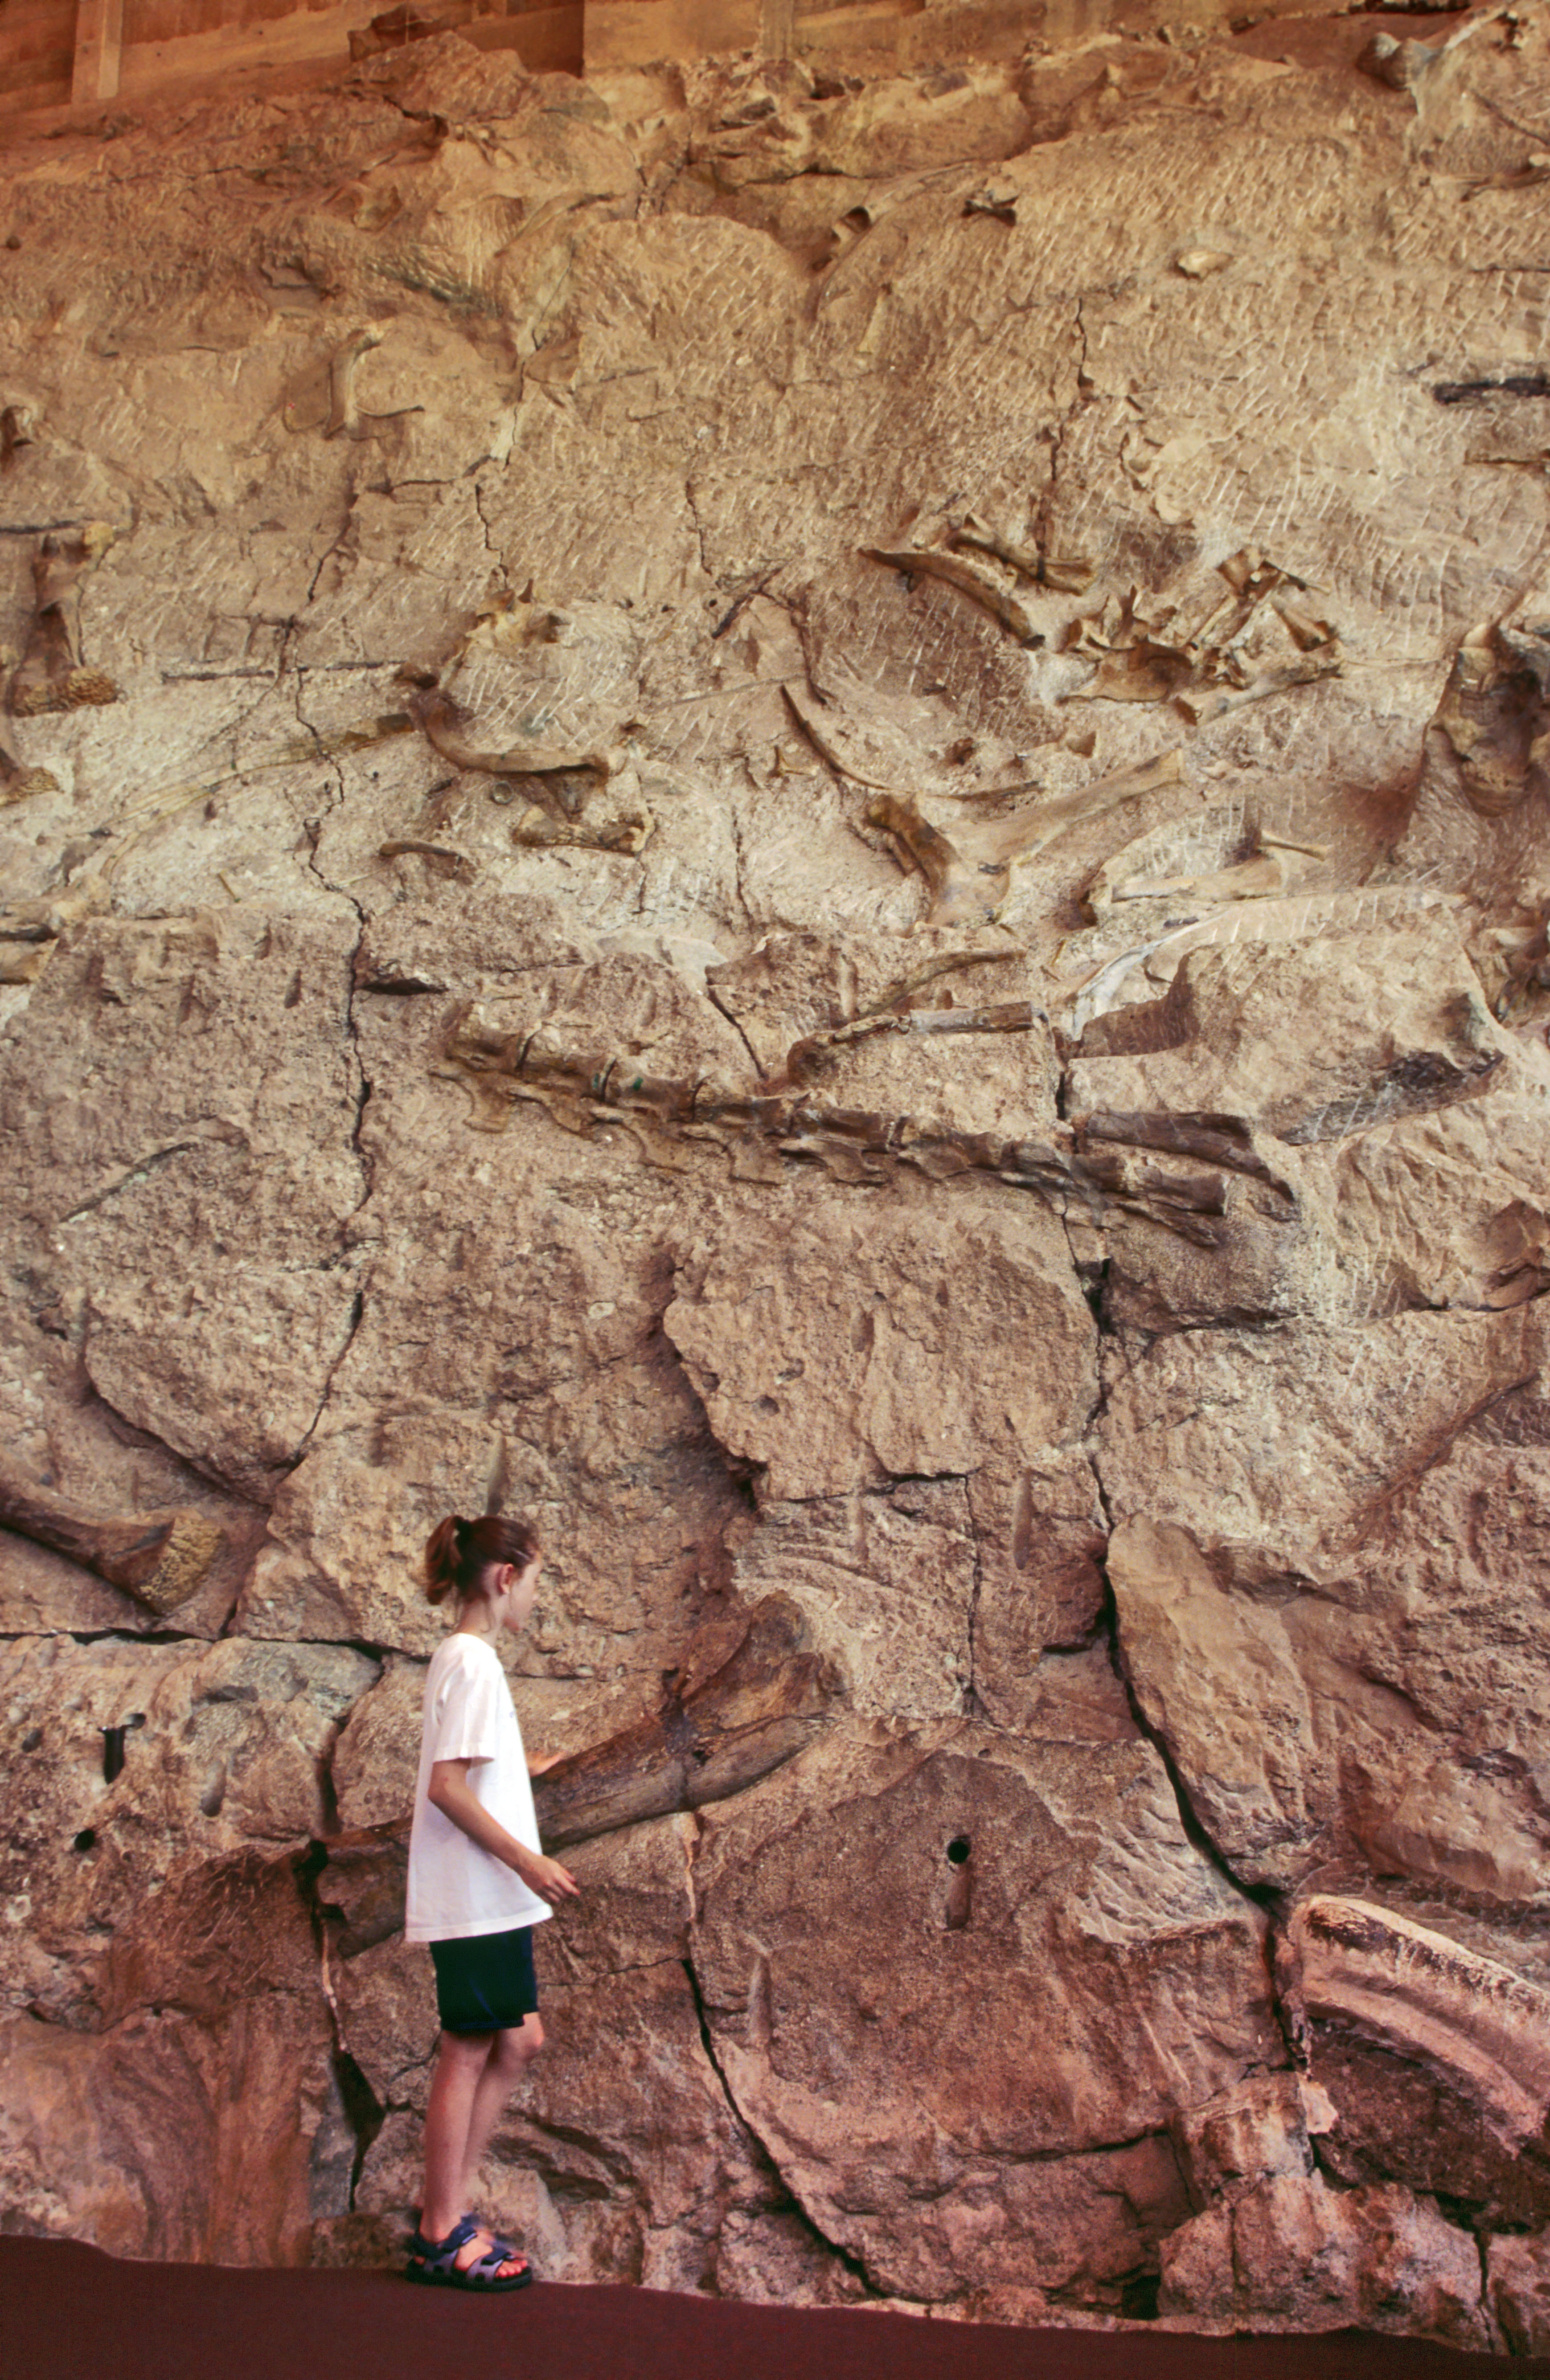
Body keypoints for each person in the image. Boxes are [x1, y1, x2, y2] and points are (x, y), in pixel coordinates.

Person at [403, 1512, 581, 2291]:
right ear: (506, 1577)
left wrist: (519, 1764)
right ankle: (441, 2228)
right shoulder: (474, 1661)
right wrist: (528, 1859)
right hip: (479, 1891)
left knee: (519, 2040)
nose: (535, 1599)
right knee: (471, 2046)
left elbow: (469, 1768)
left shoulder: (459, 1656)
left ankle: (448, 2206)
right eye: (535, 1581)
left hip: (487, 1896)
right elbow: (446, 1787)